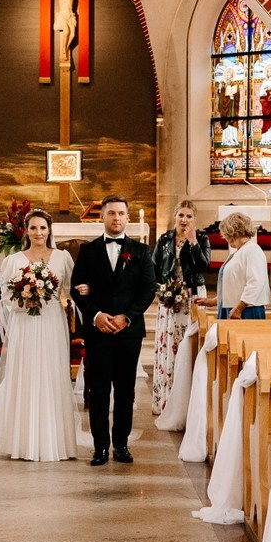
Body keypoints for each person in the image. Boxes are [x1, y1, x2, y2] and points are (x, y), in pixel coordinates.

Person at [0, 208, 79, 462]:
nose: (38, 232)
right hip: (25, 325)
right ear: (26, 231)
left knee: (51, 374)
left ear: (49, 230)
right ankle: (24, 440)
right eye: (33, 228)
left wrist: (82, 291)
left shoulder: (62, 258)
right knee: (27, 374)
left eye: (42, 228)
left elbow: (71, 290)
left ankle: (55, 441)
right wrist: (26, 300)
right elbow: (7, 298)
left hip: (52, 322)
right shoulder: (14, 260)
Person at [71, 197, 155, 465]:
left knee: (125, 390)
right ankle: (100, 447)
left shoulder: (141, 251)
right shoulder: (88, 250)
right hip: (98, 332)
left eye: (120, 213)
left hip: (128, 333)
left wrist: (126, 318)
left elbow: (147, 290)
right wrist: (95, 315)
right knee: (98, 390)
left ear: (127, 217)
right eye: (111, 213)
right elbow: (77, 288)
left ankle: (121, 444)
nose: (116, 218)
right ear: (103, 217)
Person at [150, 203, 213, 412]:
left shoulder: (202, 239)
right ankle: (167, 400)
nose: (184, 220)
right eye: (181, 215)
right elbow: (154, 269)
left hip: (192, 296)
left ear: (194, 219)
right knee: (170, 344)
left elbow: (204, 267)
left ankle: (189, 404)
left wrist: (194, 243)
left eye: (189, 216)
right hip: (170, 297)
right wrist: (163, 291)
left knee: (189, 343)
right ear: (174, 216)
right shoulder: (164, 239)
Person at [216, 212, 270, 320]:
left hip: (247, 309)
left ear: (231, 232)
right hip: (235, 307)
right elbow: (236, 284)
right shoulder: (240, 251)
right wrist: (213, 301)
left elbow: (255, 282)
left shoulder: (252, 250)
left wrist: (238, 309)